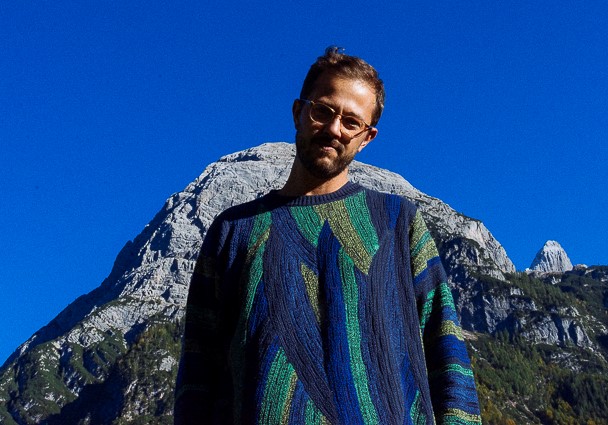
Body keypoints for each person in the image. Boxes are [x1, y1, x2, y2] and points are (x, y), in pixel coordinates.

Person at [174, 47, 482, 424]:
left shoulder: (398, 222)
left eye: (351, 122)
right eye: (323, 111)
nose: (334, 129)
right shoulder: (233, 230)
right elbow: (197, 375)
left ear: (367, 137)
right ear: (298, 112)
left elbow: (446, 349)